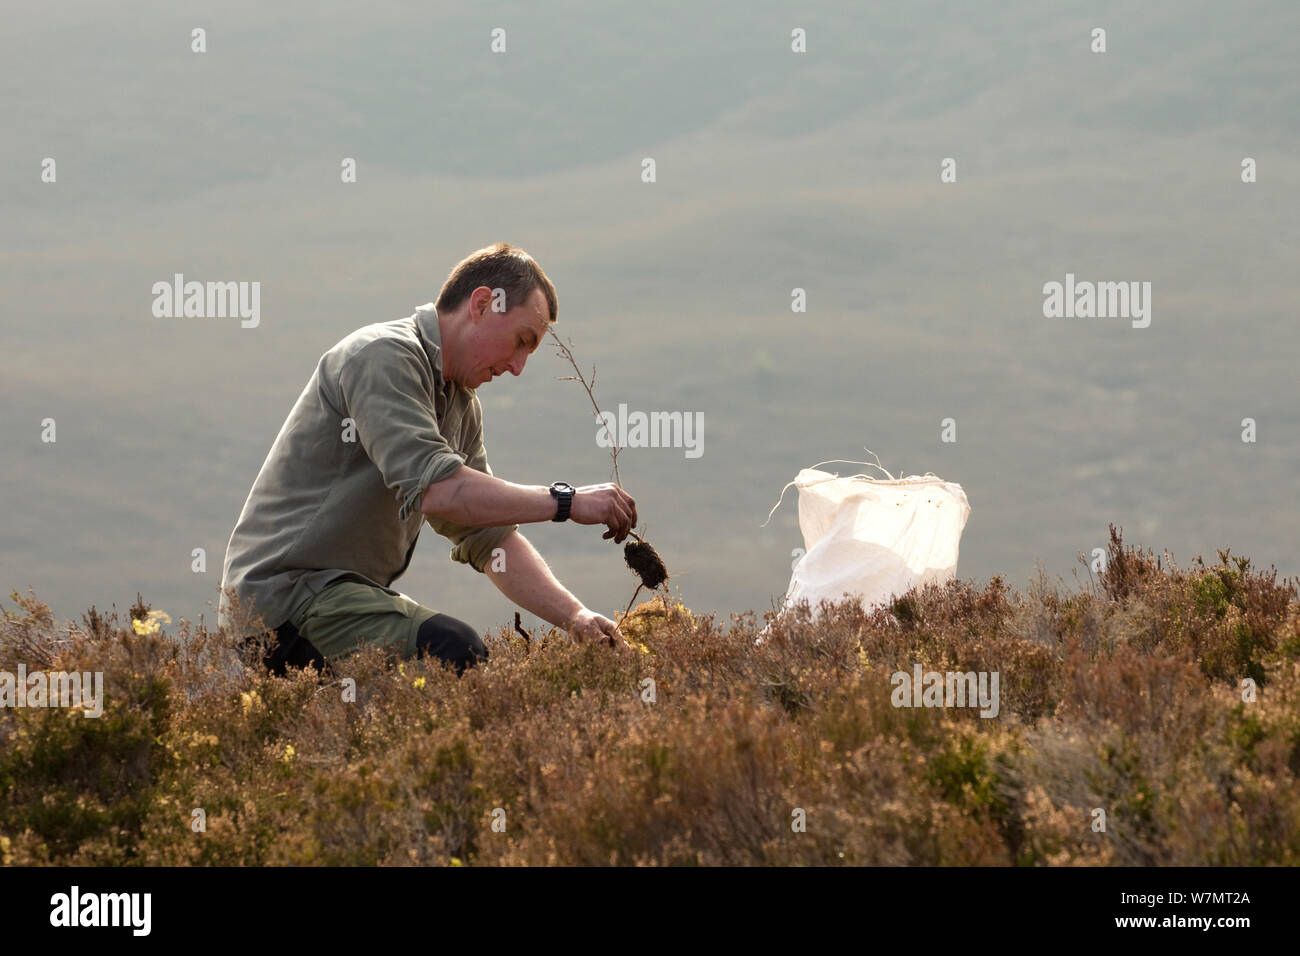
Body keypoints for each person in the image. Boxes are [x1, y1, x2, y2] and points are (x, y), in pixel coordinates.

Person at [216, 242, 637, 676]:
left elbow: (489, 539)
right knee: (452, 651)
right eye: (520, 342)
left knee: (408, 696)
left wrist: (575, 617)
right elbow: (440, 490)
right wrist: (567, 502)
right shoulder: (382, 356)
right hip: (283, 601)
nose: (517, 367)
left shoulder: (460, 406)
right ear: (482, 304)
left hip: (335, 601)